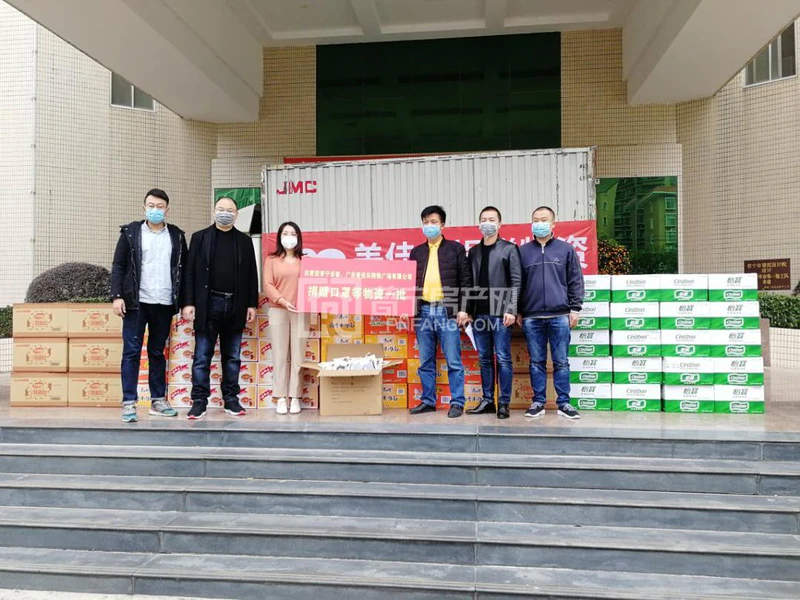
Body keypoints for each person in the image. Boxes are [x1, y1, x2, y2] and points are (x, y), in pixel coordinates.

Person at [111, 189, 187, 423]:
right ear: (144, 207)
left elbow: (183, 270)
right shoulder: (130, 233)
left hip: (163, 302)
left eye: (160, 206)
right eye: (151, 205)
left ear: (167, 210)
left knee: (157, 352)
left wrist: (184, 301)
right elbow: (119, 265)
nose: (155, 210)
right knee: (131, 352)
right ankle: (129, 402)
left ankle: (158, 401)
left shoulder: (176, 235)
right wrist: (117, 296)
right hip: (136, 303)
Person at [181, 197, 258, 420]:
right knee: (202, 356)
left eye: (230, 210)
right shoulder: (200, 237)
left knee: (232, 356)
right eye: (221, 209)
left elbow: (252, 274)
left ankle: (231, 399)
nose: (225, 213)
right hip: (207, 304)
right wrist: (188, 302)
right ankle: (199, 401)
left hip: (235, 303)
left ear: (236, 215)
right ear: (214, 211)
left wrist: (251, 304)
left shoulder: (244, 241)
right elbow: (189, 272)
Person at [518, 206, 584, 420]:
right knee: (536, 362)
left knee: (561, 361)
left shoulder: (566, 250)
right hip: (532, 316)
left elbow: (575, 280)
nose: (539, 223)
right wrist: (518, 310)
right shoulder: (523, 252)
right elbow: (517, 284)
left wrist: (575, 308)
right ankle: (538, 402)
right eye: (536, 219)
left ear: (553, 223)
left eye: (544, 219)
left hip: (560, 316)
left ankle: (564, 403)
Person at [408, 205, 473, 418]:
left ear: (442, 225)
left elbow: (466, 281)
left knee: (453, 360)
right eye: (426, 222)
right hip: (424, 311)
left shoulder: (455, 249)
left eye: (434, 222)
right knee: (425, 361)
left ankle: (457, 402)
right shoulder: (416, 252)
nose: (429, 226)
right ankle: (428, 401)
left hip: (447, 311)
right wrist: (407, 306)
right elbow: (409, 283)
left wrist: (463, 309)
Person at [466, 206, 521, 420]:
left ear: (499, 224)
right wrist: (468, 310)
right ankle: (488, 400)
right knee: (484, 359)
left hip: (500, 314)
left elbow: (516, 281)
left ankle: (504, 402)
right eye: (483, 219)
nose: (487, 223)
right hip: (479, 314)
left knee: (504, 358)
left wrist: (512, 309)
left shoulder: (509, 249)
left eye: (491, 219)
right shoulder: (473, 252)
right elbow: (468, 283)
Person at [262, 222, 310, 415]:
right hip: (278, 310)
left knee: (298, 356)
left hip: (301, 311)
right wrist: (282, 300)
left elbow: (314, 284)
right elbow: (268, 285)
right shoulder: (272, 260)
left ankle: (295, 397)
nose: (289, 237)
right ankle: (280, 397)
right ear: (279, 237)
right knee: (280, 355)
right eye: (285, 233)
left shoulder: (305, 261)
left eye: (293, 233)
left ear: (299, 237)